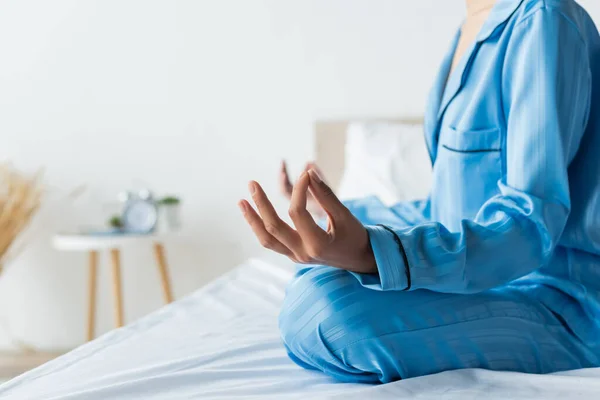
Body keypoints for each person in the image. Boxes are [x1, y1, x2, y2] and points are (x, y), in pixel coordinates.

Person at [238, 0, 600, 383]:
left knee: (326, 310)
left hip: (561, 307)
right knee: (320, 282)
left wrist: (371, 254)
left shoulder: (544, 20)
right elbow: (444, 209)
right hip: (486, 284)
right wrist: (336, 218)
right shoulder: (468, 29)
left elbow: (529, 223)